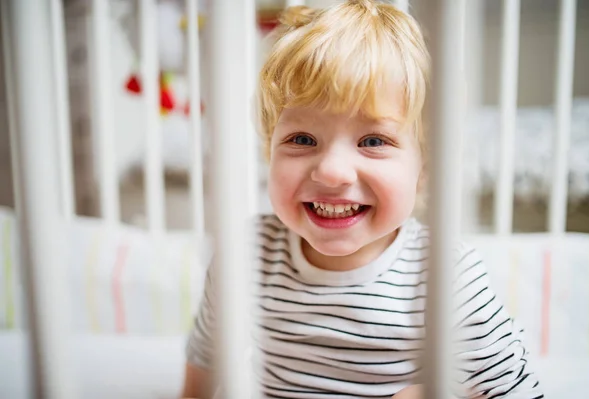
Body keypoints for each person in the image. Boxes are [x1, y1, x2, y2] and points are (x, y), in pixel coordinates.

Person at [181, 1, 544, 398]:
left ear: (426, 169)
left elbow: (516, 388)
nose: (332, 171)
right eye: (302, 139)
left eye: (373, 141)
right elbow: (208, 351)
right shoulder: (247, 255)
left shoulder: (446, 275)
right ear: (270, 151)